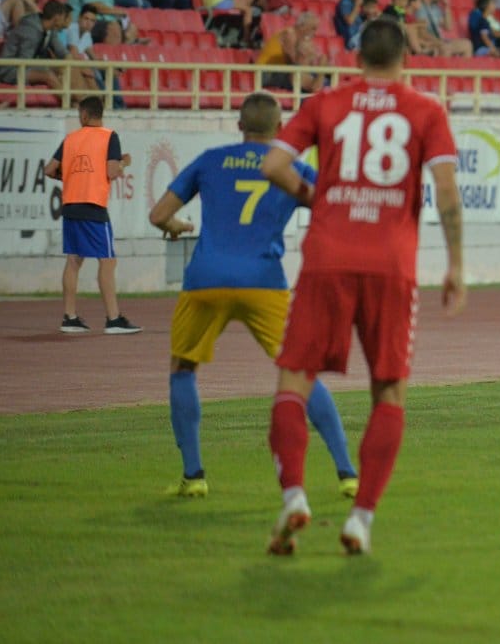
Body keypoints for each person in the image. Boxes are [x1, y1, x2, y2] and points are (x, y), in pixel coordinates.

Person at [260, 17, 466, 555]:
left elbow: (274, 164)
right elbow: (445, 190)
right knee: (389, 391)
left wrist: (315, 196)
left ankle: (294, 496)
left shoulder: (326, 104)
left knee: (293, 381)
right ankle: (361, 519)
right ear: (405, 58)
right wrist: (457, 264)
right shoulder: (426, 110)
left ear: (356, 58)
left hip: (327, 258)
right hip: (391, 266)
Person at [148, 93, 359, 499]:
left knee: (182, 368)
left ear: (239, 126)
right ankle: (347, 472)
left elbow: (158, 215)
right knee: (301, 371)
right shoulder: (292, 167)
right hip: (263, 280)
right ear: (281, 129)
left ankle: (193, 476)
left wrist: (175, 226)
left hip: (205, 279)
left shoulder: (211, 160)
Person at [43, 96, 142, 335]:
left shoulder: (71, 139)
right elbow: (112, 171)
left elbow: (50, 169)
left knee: (74, 260)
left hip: (71, 206)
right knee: (108, 260)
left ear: (85, 115)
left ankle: (69, 317)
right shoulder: (109, 136)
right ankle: (113, 318)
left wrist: (70, 177)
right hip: (93, 205)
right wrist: (123, 163)